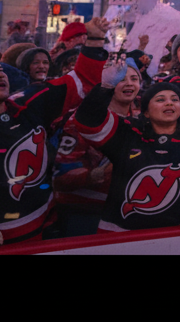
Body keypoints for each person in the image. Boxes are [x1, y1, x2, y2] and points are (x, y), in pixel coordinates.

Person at [0, 17, 108, 247]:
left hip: (44, 230)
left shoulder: (28, 103)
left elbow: (82, 81)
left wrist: (96, 39)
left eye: (0, 70)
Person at [72, 76, 180, 232]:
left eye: (175, 99)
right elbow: (86, 122)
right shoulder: (128, 131)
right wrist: (105, 86)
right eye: (160, 99)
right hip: (120, 234)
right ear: (145, 112)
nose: (169, 102)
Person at [50, 59, 143, 237]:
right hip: (84, 214)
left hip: (125, 211)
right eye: (121, 79)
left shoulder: (142, 119)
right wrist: (95, 175)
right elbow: (59, 177)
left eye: (134, 79)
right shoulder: (81, 121)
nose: (129, 83)